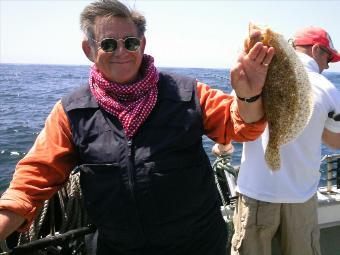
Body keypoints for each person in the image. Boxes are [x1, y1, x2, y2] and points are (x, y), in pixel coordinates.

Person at [0, 0, 275, 254]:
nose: (121, 52)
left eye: (129, 42)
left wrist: (248, 96)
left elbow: (240, 125)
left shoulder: (187, 93)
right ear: (89, 49)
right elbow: (31, 181)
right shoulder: (71, 111)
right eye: (108, 44)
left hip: (197, 245)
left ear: (142, 44)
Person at [216, 26, 340, 255]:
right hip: (301, 198)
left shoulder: (254, 76)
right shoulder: (327, 88)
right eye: (328, 56)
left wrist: (223, 145)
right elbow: (335, 142)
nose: (329, 64)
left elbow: (232, 123)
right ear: (315, 50)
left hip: (255, 194)